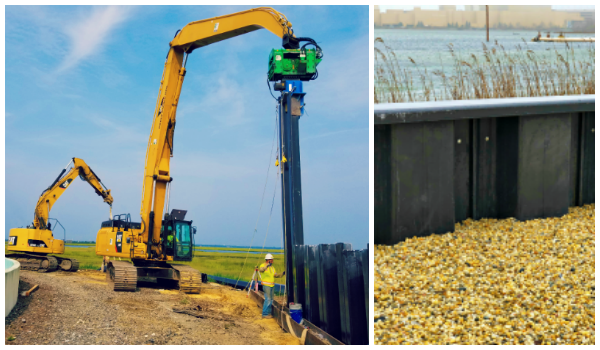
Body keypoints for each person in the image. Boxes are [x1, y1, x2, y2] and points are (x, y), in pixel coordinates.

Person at [258, 253, 285, 319]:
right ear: (268, 260)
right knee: (268, 299)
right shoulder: (263, 265)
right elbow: (261, 270)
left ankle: (268, 313)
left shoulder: (272, 268)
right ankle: (265, 314)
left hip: (272, 285)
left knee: (271, 299)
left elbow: (275, 275)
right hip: (266, 285)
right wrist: (267, 265)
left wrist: (282, 274)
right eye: (271, 260)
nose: (273, 261)